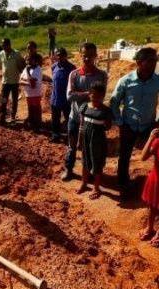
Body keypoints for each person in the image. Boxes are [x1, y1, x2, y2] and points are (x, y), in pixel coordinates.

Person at [110, 48, 159, 196]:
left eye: (155, 61)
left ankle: (155, 184)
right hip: (128, 125)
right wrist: (120, 122)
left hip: (149, 126)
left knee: (155, 153)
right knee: (124, 156)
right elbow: (114, 102)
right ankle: (122, 184)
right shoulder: (126, 81)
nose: (153, 64)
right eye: (149, 61)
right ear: (139, 62)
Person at [61, 43, 107, 181]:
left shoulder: (101, 75)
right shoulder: (74, 74)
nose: (87, 59)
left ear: (95, 56)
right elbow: (69, 96)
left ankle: (90, 172)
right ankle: (69, 169)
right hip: (74, 117)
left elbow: (101, 96)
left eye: (90, 55)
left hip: (92, 120)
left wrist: (80, 93)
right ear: (80, 55)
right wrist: (90, 93)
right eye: (84, 55)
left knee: (90, 148)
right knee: (72, 145)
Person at [76, 82, 112, 200]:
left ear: (103, 96)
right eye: (93, 95)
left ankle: (96, 187)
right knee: (85, 161)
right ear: (89, 94)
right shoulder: (85, 107)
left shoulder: (105, 111)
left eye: (99, 96)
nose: (95, 98)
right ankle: (84, 183)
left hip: (98, 141)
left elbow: (107, 127)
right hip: (86, 139)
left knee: (97, 162)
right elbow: (81, 125)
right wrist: (79, 140)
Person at [139, 119, 159, 247]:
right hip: (156, 181)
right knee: (152, 207)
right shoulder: (158, 143)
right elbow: (143, 157)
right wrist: (150, 138)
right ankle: (149, 228)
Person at [50, 48, 76, 142]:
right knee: (55, 119)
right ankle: (55, 135)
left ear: (66, 56)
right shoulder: (54, 67)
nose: (59, 57)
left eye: (61, 55)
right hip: (55, 98)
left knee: (69, 119)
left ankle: (70, 137)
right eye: (57, 55)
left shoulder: (72, 68)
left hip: (67, 100)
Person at [0, 38, 26, 124]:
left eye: (5, 45)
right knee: (3, 100)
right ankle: (2, 116)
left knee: (14, 100)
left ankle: (13, 116)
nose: (3, 47)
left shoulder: (17, 54)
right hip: (5, 81)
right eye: (2, 46)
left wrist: (22, 75)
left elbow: (22, 66)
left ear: (9, 45)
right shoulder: (1, 53)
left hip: (14, 81)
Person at [20, 53, 43, 132]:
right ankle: (32, 125)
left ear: (34, 61)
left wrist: (27, 74)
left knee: (36, 109)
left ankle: (38, 126)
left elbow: (33, 84)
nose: (28, 62)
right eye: (27, 60)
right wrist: (28, 82)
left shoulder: (38, 69)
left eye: (30, 60)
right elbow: (20, 80)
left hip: (36, 93)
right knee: (30, 109)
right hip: (28, 93)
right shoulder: (26, 69)